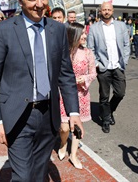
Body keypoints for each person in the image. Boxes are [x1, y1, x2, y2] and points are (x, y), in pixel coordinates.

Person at [0, 0, 84, 181]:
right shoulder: (3, 31)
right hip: (17, 115)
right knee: (22, 176)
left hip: (48, 115)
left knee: (39, 173)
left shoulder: (57, 30)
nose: (39, 4)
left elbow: (65, 74)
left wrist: (73, 111)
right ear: (20, 1)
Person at [87, 1, 130, 133]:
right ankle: (106, 120)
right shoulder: (94, 28)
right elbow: (90, 49)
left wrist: (125, 61)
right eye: (104, 9)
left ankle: (110, 110)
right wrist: (97, 64)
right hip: (103, 67)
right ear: (100, 11)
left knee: (120, 93)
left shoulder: (121, 26)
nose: (106, 11)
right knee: (104, 95)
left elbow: (126, 45)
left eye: (109, 9)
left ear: (112, 10)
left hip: (118, 66)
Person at [58, 22, 97, 170]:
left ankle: (73, 155)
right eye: (82, 34)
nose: (85, 36)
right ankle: (62, 143)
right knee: (64, 128)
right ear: (73, 35)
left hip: (81, 94)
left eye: (85, 33)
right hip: (63, 94)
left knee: (77, 128)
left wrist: (85, 78)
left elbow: (93, 73)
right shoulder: (63, 53)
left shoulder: (88, 52)